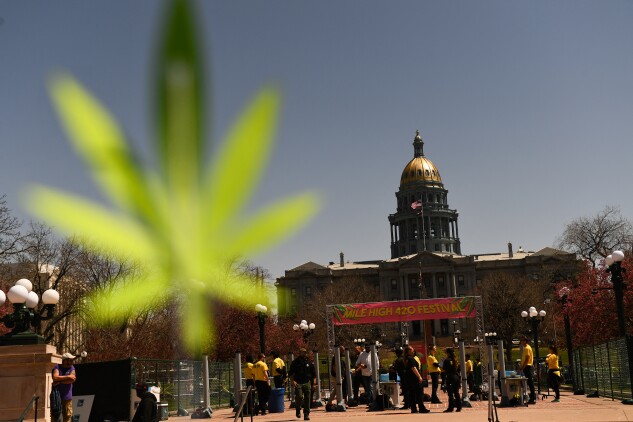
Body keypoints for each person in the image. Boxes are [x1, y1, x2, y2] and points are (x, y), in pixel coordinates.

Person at [288, 348, 316, 421]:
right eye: (301, 352)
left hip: (307, 382)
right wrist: (292, 381)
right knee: (299, 397)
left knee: (307, 398)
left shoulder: (309, 362)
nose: (303, 353)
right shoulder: (295, 362)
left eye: (304, 352)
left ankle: (306, 414)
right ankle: (298, 408)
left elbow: (314, 374)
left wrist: (314, 383)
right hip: (298, 382)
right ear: (299, 353)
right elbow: (290, 373)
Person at [52, 352, 77, 422]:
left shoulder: (72, 368)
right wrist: (68, 377)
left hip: (67, 397)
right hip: (56, 397)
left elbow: (72, 379)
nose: (72, 362)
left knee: (67, 416)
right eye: (70, 360)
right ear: (65, 360)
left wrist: (59, 381)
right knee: (54, 416)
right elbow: (55, 377)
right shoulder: (57, 366)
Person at [405, 346, 430, 413]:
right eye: (412, 350)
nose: (413, 351)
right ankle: (421, 408)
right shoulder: (411, 359)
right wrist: (419, 376)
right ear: (409, 351)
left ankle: (414, 409)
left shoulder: (407, 359)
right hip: (415, 379)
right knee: (419, 394)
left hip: (410, 379)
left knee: (412, 394)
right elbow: (413, 368)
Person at [442, 348, 462, 412]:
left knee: (450, 394)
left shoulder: (446, 360)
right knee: (456, 393)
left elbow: (444, 370)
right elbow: (458, 369)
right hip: (456, 377)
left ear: (448, 353)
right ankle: (459, 407)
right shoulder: (455, 360)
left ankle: (450, 408)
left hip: (450, 378)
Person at [519, 336, 536, 404]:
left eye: (523, 341)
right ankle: (532, 397)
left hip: (527, 366)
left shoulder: (527, 348)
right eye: (521, 341)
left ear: (525, 341)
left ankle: (532, 398)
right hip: (527, 366)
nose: (521, 342)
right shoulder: (526, 348)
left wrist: (522, 367)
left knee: (530, 382)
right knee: (529, 382)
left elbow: (527, 359)